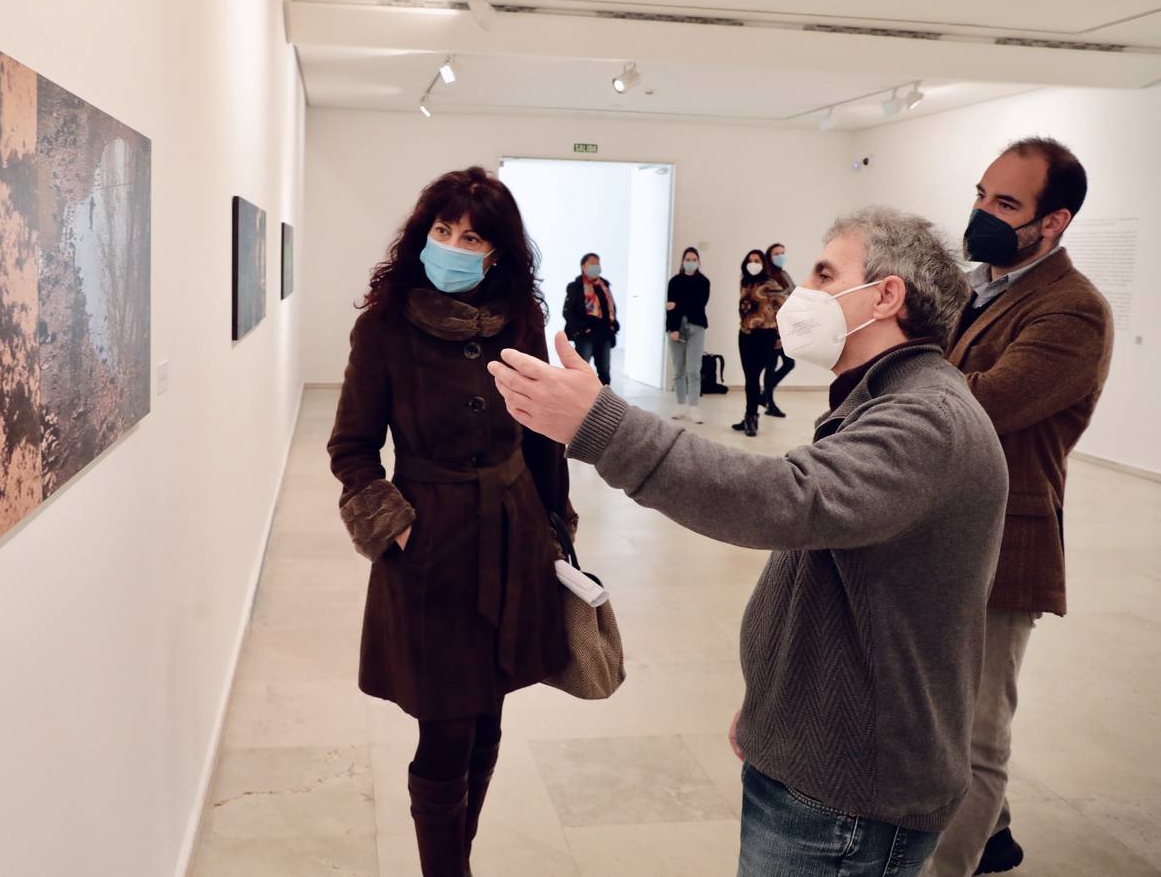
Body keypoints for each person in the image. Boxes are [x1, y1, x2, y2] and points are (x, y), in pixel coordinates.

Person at [488, 207, 1009, 877]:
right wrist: (775, 706)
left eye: (825, 273)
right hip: (814, 758)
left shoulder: (926, 419)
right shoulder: (882, 398)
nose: (802, 293)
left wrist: (603, 426)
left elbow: (783, 500)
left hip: (849, 797)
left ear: (886, 296)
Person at [327, 166, 578, 877]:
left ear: (498, 252)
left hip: (513, 535)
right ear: (421, 234)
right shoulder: (384, 325)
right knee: (444, 731)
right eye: (442, 231)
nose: (453, 246)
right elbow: (351, 448)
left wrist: (556, 526)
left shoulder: (522, 321)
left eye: (471, 236)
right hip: (429, 548)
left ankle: (457, 858)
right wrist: (395, 526)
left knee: (488, 719)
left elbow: (541, 440)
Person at [924, 138, 1114, 877]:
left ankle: (949, 867)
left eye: (1006, 205)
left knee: (975, 735)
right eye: (981, 195)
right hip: (941, 526)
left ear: (1053, 221)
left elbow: (981, 402)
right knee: (942, 706)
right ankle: (995, 835)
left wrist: (902, 365)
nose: (982, 213)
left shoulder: (1074, 312)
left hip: (1005, 542)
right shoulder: (973, 289)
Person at [734, 250, 782, 436]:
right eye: (750, 260)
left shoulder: (771, 284)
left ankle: (751, 417)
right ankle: (749, 415)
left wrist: (780, 336)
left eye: (757, 260)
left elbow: (782, 310)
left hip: (766, 335)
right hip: (745, 335)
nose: (753, 263)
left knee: (754, 377)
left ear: (763, 263)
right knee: (750, 379)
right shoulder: (744, 282)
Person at [666, 247, 710, 423]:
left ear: (698, 262)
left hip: (696, 328)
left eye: (694, 259)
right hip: (676, 329)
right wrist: (673, 328)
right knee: (678, 369)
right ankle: (680, 405)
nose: (690, 261)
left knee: (693, 369)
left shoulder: (704, 282)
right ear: (683, 261)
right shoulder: (675, 281)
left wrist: (677, 304)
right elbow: (669, 308)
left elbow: (698, 304)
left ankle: (694, 407)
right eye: (687, 258)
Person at [562, 253, 619, 385]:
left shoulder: (604, 285)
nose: (596, 267)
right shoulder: (575, 286)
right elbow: (568, 312)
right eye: (592, 264)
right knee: (581, 371)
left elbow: (611, 308)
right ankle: (577, 400)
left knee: (604, 371)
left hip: (604, 334)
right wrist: (581, 330)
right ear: (583, 266)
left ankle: (604, 401)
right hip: (585, 336)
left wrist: (613, 326)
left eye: (597, 264)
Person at [760, 242, 796, 418]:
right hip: (773, 329)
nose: (781, 256)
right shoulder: (768, 278)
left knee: (789, 363)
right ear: (769, 256)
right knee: (771, 365)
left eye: (783, 252)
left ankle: (764, 396)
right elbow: (770, 307)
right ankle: (770, 403)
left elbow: (793, 296)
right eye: (777, 253)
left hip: (785, 328)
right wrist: (776, 333)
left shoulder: (784, 275)